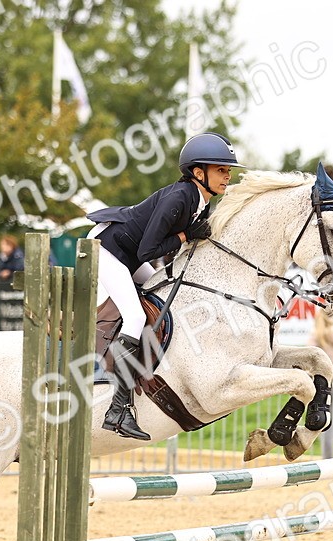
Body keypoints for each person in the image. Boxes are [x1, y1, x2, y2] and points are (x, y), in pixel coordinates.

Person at [86, 131, 243, 440]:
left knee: (162, 290)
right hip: (108, 248)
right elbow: (148, 251)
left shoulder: (201, 201)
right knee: (135, 317)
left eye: (227, 170)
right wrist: (185, 236)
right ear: (198, 172)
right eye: (220, 170)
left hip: (129, 253)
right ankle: (117, 409)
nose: (227, 176)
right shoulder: (179, 197)